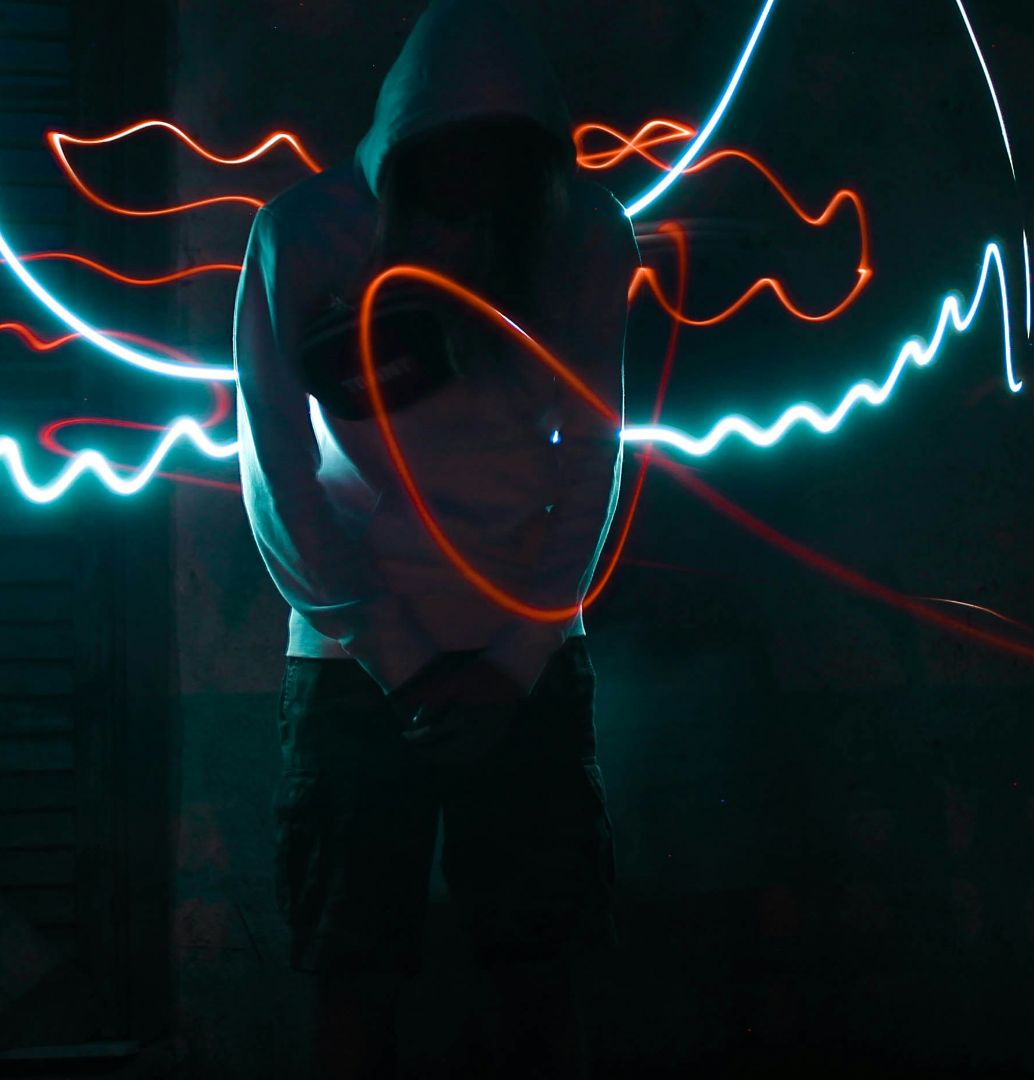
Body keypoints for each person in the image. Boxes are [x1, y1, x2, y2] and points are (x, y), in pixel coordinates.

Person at [233, 0, 639, 1075]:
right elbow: (276, 473)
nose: (470, 197)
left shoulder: (585, 235)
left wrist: (513, 662)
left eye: (496, 167)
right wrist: (405, 662)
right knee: (354, 975)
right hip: (359, 665)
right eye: (447, 165)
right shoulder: (303, 235)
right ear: (400, 154)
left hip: (523, 657)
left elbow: (595, 458)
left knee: (540, 975)